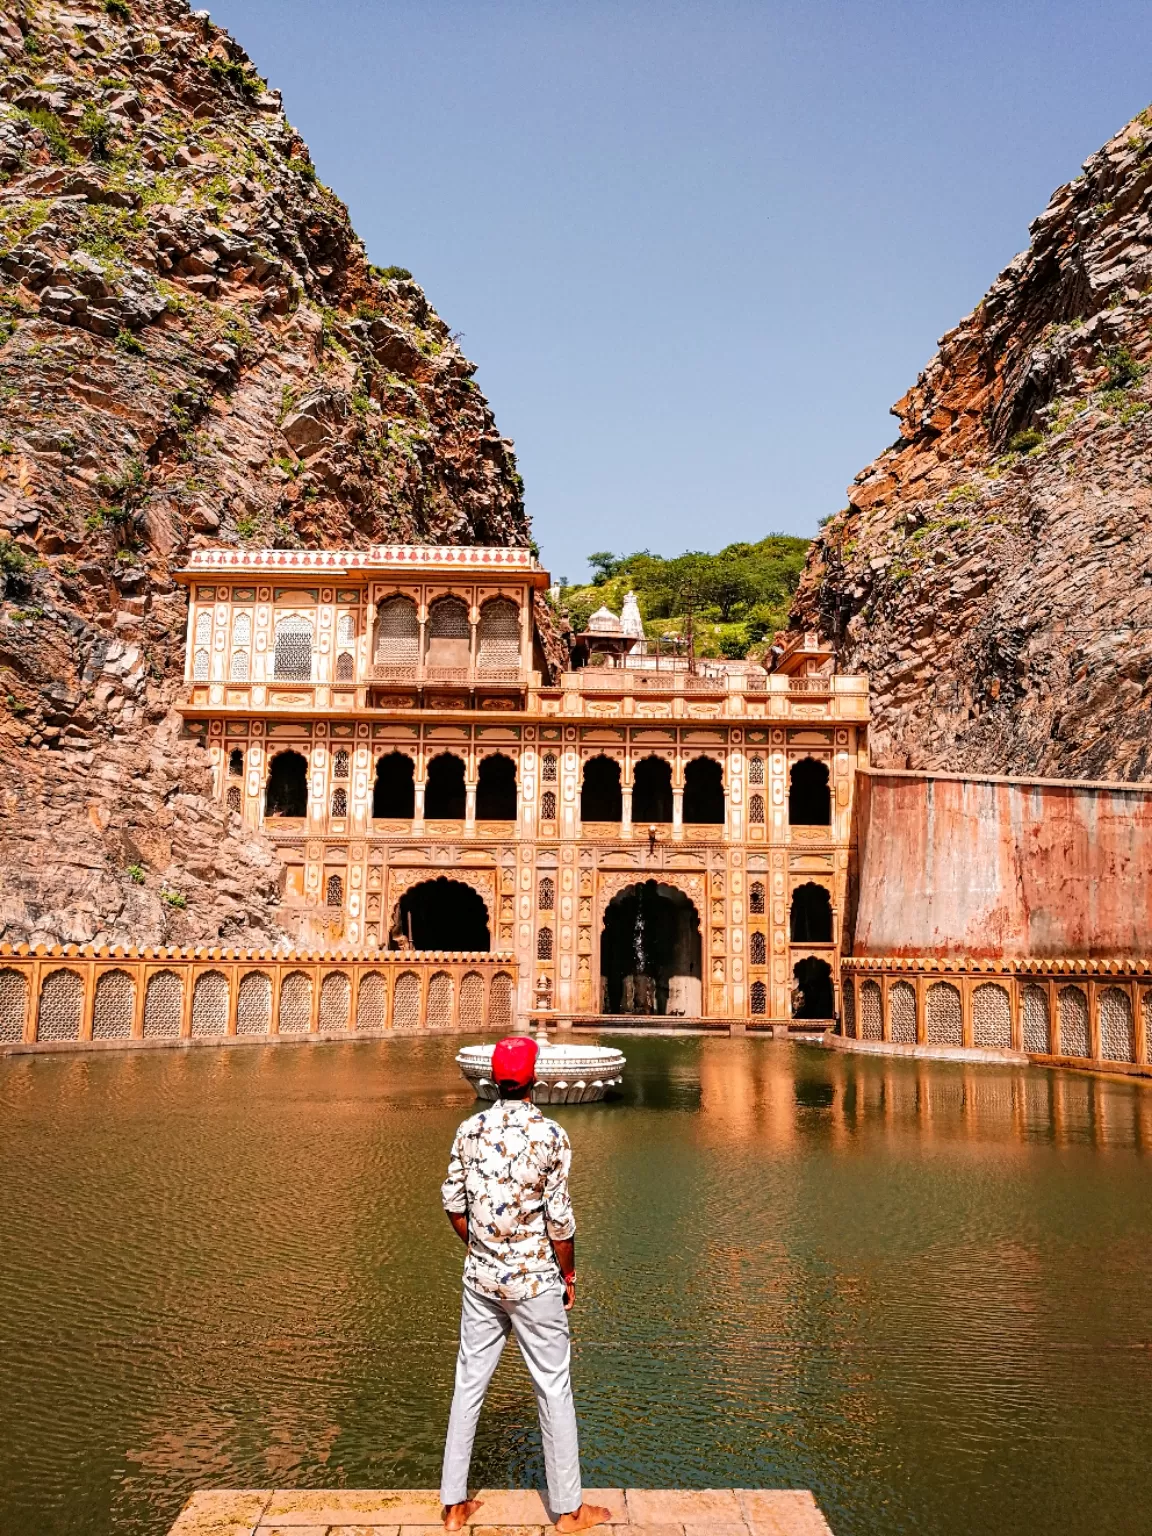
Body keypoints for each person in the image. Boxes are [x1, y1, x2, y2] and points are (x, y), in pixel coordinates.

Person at [439, 1035, 610, 1534]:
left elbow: (453, 1203)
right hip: (536, 1283)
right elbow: (561, 1223)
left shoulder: (469, 1130)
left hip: (482, 1282)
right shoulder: (551, 1136)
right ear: (533, 1081)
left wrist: (480, 1247)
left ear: (494, 1082)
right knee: (553, 1388)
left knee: (468, 1385)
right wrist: (569, 1275)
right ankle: (570, 1512)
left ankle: (453, 1506)